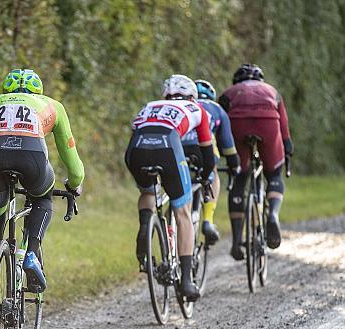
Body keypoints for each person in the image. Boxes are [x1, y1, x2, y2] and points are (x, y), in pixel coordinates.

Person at [0, 68, 84, 329]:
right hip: (31, 159)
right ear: (37, 91)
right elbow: (69, 153)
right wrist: (74, 184)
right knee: (42, 199)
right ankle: (30, 252)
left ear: (6, 91)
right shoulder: (51, 106)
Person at [125, 74, 215, 300]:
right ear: (193, 96)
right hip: (168, 146)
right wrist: (205, 178)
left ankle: (144, 228)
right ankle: (186, 282)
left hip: (136, 149)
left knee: (147, 191)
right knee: (182, 212)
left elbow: (136, 130)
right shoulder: (197, 110)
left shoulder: (150, 106)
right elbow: (208, 153)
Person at [218, 64, 293, 259]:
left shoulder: (229, 93)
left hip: (238, 125)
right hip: (268, 124)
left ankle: (236, 242)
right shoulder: (272, 91)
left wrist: (224, 154)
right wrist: (287, 149)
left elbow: (219, 123)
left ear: (237, 81)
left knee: (239, 178)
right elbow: (284, 128)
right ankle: (273, 215)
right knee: (274, 173)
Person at [180, 79, 241, 244]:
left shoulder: (183, 105)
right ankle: (207, 220)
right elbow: (228, 146)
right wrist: (234, 166)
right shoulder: (217, 109)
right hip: (201, 148)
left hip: (178, 146)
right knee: (212, 171)